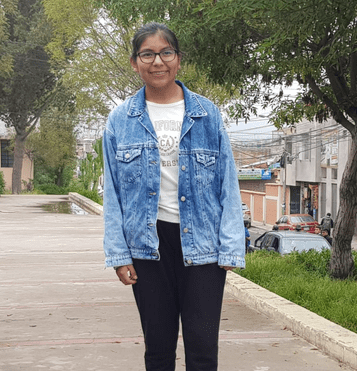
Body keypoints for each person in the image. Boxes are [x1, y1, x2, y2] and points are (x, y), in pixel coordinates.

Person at [102, 22, 245, 371]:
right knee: (158, 350)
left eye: (166, 52)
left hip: (204, 246)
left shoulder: (207, 114)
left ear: (178, 59)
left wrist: (231, 246)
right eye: (147, 54)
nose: (157, 62)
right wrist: (119, 254)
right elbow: (113, 195)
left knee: (202, 349)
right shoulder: (120, 120)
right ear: (135, 62)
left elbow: (227, 183)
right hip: (148, 246)